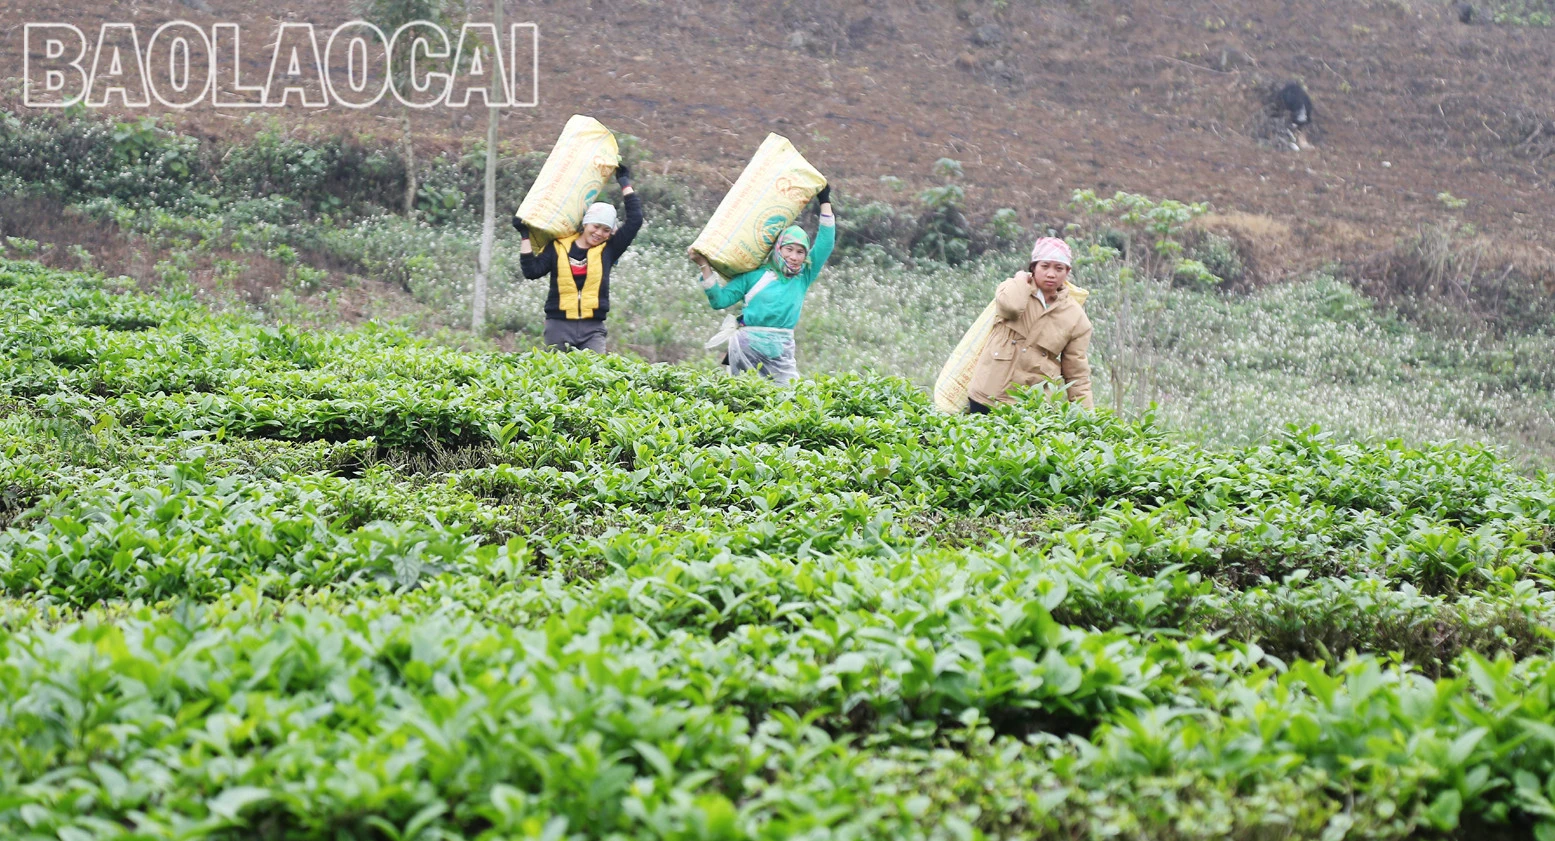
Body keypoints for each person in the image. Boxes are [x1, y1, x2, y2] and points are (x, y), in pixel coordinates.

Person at [688, 185, 834, 385]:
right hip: (747, 347)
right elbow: (719, 301)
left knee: (789, 396)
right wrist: (704, 266)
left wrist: (825, 201)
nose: (793, 257)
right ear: (778, 249)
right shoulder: (753, 276)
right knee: (742, 397)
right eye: (789, 249)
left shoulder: (803, 276)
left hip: (781, 350)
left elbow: (826, 243)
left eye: (800, 252)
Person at [513, 164, 641, 353]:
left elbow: (635, 220)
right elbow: (532, 271)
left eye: (606, 230)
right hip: (558, 326)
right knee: (557, 377)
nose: (599, 233)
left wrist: (624, 182)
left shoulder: (609, 249)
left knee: (595, 377)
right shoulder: (558, 246)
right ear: (586, 224)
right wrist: (525, 235)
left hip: (593, 329)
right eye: (596, 226)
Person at [966, 236, 1094, 412]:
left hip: (1030, 405)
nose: (1051, 273)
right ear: (1033, 267)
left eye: (1059, 268)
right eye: (1044, 266)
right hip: (987, 395)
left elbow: (1077, 373)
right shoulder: (1012, 288)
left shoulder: (1075, 317)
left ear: (1067, 272)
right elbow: (1011, 307)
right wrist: (1021, 279)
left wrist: (1085, 418)